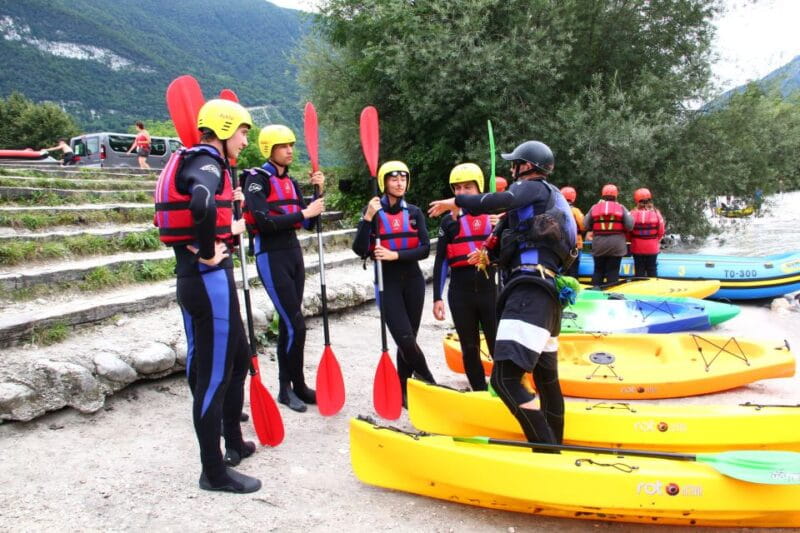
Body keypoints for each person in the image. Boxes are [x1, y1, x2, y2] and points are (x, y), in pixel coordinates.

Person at [429, 140, 577, 446]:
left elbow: (494, 201)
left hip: (529, 295)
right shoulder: (542, 202)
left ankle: (545, 448)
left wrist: (455, 202)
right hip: (546, 297)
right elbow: (506, 240)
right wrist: (486, 255)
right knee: (547, 381)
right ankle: (556, 446)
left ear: (528, 167)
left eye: (515, 163)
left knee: (505, 380)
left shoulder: (535, 188)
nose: (511, 168)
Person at [153, 99, 260, 493]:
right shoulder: (208, 161)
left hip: (205, 278)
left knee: (235, 359)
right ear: (225, 128)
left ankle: (232, 440)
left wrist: (220, 229)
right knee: (213, 378)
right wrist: (208, 248)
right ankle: (212, 472)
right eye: (244, 132)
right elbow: (199, 201)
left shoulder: (199, 160)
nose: (246, 140)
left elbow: (201, 206)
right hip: (205, 279)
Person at [242, 124, 325, 413]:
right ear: (269, 148)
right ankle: (284, 389)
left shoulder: (289, 182)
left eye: (291, 144)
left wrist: (317, 193)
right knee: (295, 325)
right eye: (283, 145)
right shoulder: (256, 180)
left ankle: (298, 385)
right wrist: (304, 212)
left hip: (292, 254)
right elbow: (263, 221)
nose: (290, 149)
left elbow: (308, 223)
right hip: (270, 255)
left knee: (293, 325)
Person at [352, 161, 434, 403]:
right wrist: (367, 218)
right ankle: (430, 382)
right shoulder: (374, 213)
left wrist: (395, 255)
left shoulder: (415, 212)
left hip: (413, 282)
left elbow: (425, 249)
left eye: (403, 179)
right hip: (387, 283)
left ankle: (403, 391)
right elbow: (359, 248)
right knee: (405, 340)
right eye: (394, 179)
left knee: (408, 340)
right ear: (384, 183)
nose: (400, 184)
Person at [432, 163, 496, 391]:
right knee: (469, 347)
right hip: (460, 292)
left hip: (491, 290)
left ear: (479, 189)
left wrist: (500, 229)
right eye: (457, 188)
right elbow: (440, 261)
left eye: (467, 187)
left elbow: (508, 253)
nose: (461, 193)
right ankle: (478, 389)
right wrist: (436, 298)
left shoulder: (494, 217)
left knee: (497, 344)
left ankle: (503, 388)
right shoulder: (448, 221)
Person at [582, 183, 633, 286]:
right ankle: (611, 297)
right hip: (617, 246)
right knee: (613, 272)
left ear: (602, 195)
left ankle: (595, 294)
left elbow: (585, 225)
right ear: (616, 195)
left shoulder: (595, 207)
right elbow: (630, 226)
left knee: (598, 270)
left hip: (599, 245)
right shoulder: (621, 207)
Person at [629, 188, 665, 277]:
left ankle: (639, 288)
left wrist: (632, 240)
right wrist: (656, 239)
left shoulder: (632, 214)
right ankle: (653, 288)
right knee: (652, 269)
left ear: (636, 200)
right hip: (652, 247)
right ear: (650, 199)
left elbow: (628, 231)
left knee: (639, 270)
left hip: (637, 247)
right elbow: (661, 230)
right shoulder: (656, 213)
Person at [560, 186, 585, 278]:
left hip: (560, 243)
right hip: (575, 243)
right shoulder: (575, 211)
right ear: (573, 197)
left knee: (562, 268)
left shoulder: (557, 210)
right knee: (574, 268)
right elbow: (583, 226)